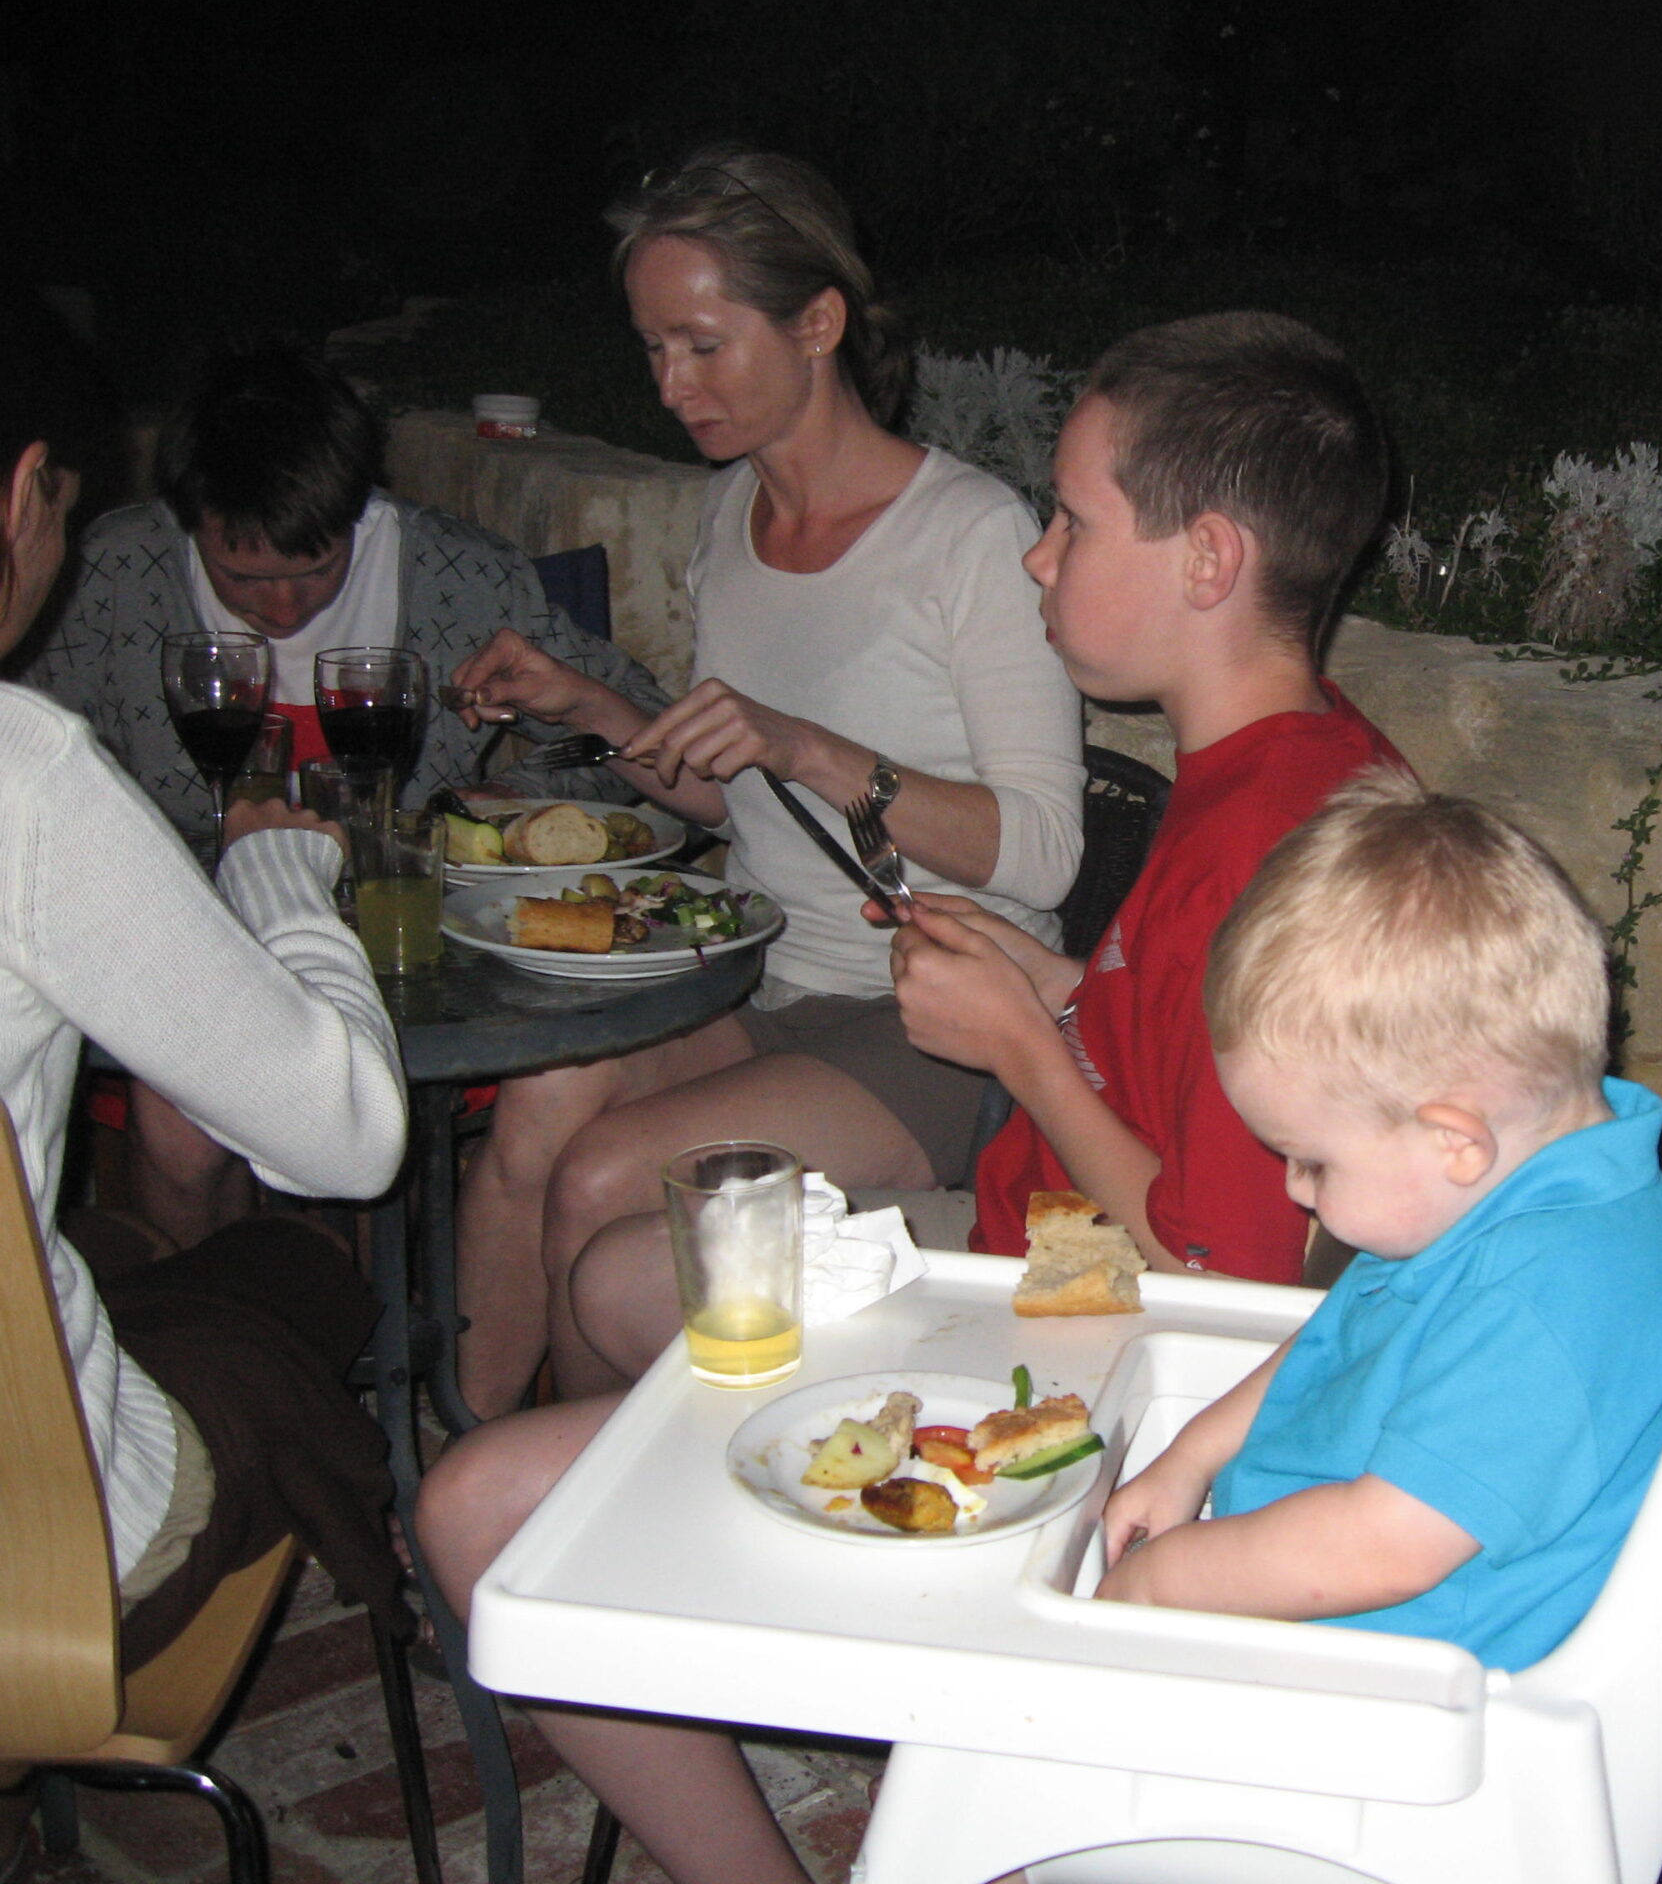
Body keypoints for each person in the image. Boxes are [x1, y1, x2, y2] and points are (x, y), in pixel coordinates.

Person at [416, 309, 1404, 1884]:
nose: (1037, 557)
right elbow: (1193, 1052)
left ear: (1209, 560)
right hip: (1042, 1260)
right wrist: (1054, 987)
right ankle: (786, 1619)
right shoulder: (1283, 764)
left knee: (478, 1509)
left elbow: (1228, 1270)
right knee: (617, 1278)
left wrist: (1019, 1049)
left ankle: (815, 1677)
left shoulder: (1276, 847)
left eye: (1073, 522)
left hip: (1093, 1345)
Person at [442, 147, 1083, 1418]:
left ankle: (588, 1495)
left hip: (934, 1014)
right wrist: (593, 709)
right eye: (651, 348)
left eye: (702, 344)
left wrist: (808, 746)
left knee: (604, 1178)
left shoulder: (967, 534)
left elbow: (1044, 851)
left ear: (817, 324)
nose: (670, 386)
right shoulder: (728, 513)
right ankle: (470, 1463)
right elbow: (730, 796)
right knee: (536, 1114)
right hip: (763, 980)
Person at [12, 335, 669, 1249]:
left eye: (316, 571)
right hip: (195, 949)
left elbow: (644, 745)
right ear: (187, 524)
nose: (284, 611)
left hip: (412, 958)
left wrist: (509, 792)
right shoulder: (115, 577)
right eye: (242, 579)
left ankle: (356, 1302)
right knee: (178, 1120)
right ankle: (230, 1311)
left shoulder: (461, 578)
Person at [0, 301, 412, 1681]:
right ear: (24, 494)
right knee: (286, 1282)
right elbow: (349, 1140)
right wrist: (285, 871)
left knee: (134, 1254)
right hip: (42, 1564)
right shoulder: (23, 778)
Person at [1096, 771, 1662, 1670]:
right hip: (1325, 1604)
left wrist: (1163, 1581)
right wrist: (1191, 1456)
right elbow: (1335, 1343)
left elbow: (1384, 1548)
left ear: (1453, 1140)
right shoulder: (1488, 1196)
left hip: (1395, 1673)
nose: (1296, 1190)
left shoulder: (1554, 1292)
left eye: (1313, 1160)